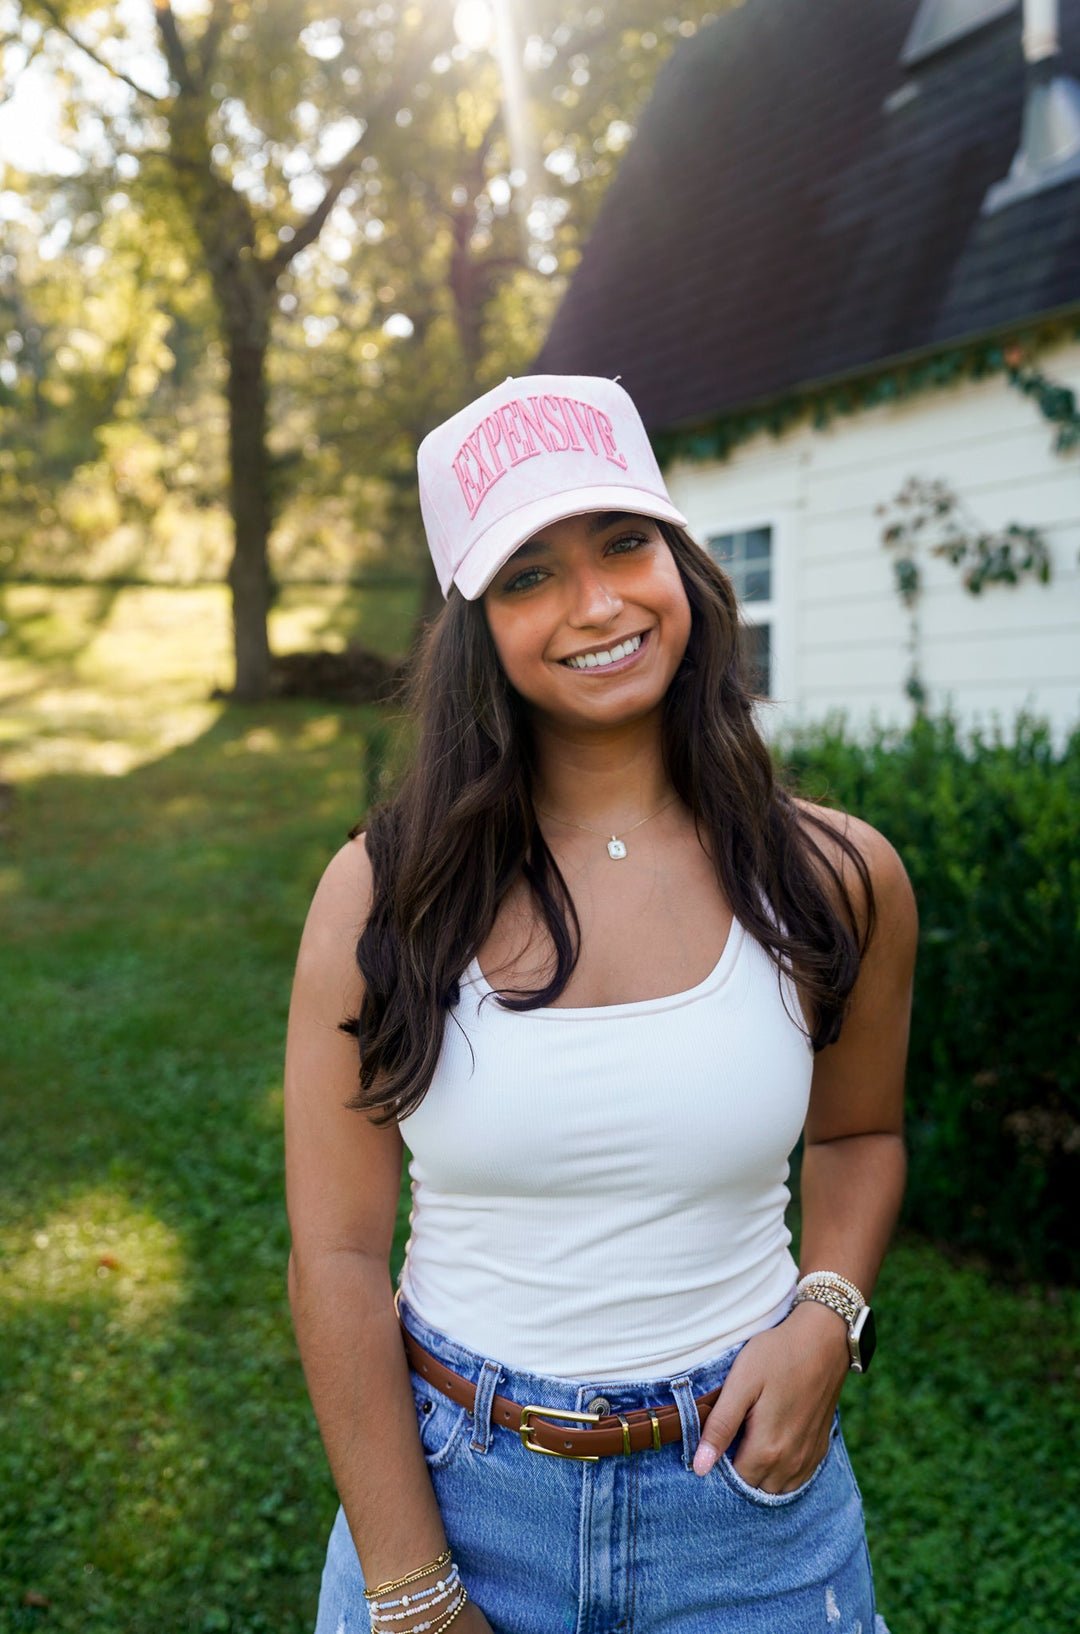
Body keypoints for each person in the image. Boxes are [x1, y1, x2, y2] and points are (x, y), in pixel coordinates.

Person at [284, 374, 916, 1634]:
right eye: (529, 573)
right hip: (454, 1492)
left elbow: (858, 1136)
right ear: (478, 622)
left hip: (748, 1509)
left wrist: (828, 1318)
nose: (597, 604)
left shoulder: (836, 876)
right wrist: (411, 1589)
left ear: (681, 561)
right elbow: (338, 1259)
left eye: (625, 542)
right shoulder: (385, 888)